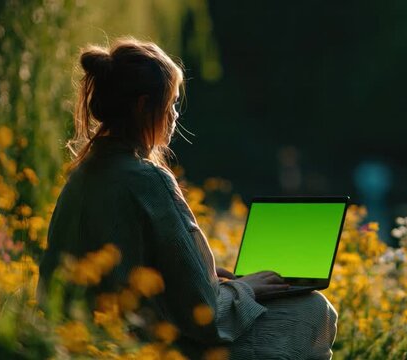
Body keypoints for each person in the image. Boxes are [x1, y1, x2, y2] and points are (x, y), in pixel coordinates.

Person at [37, 37, 337, 359]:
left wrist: (206, 273)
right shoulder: (147, 179)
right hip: (146, 346)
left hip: (80, 336)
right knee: (312, 310)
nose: (176, 115)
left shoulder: (83, 174)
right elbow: (203, 315)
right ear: (142, 106)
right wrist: (245, 288)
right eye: (172, 103)